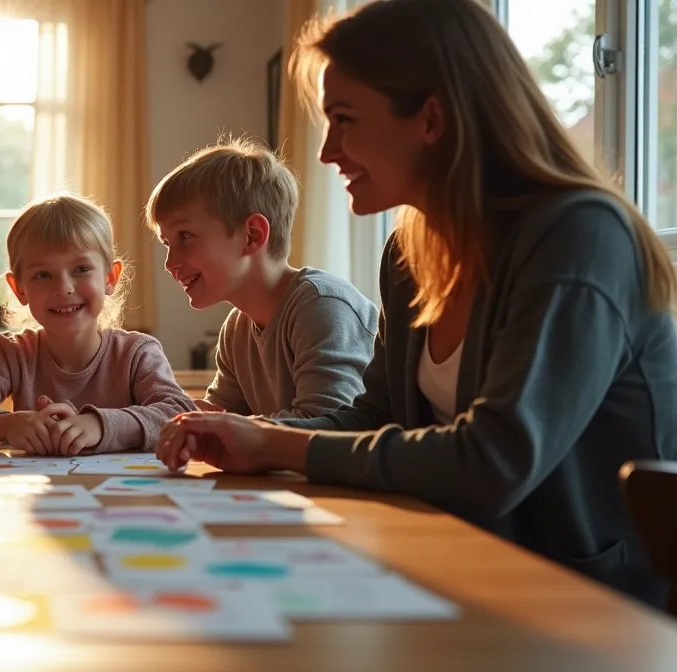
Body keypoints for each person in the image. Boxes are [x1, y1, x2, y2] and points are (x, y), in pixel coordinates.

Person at [156, 0, 677, 605]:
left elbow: (493, 461)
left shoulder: (579, 236)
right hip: (465, 573)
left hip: (592, 604)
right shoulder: (409, 253)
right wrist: (253, 434)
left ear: (432, 118)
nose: (327, 153)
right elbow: (375, 417)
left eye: (344, 119)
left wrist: (277, 443)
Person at [0, 194, 194, 455]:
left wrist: (100, 425)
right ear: (19, 289)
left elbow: (179, 413)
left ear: (110, 277)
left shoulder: (137, 353)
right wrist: (9, 424)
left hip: (119, 494)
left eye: (81, 269)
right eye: (43, 275)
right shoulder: (13, 353)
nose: (64, 288)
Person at [149, 137, 378, 417]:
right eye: (166, 243)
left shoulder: (322, 307)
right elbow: (226, 417)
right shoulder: (236, 330)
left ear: (252, 235)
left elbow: (327, 427)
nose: (169, 263)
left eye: (184, 237)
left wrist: (222, 427)